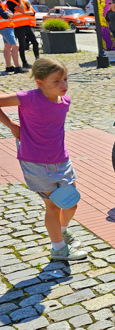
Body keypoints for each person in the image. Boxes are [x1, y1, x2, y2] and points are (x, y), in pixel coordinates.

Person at [0, 58, 87, 261]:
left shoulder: (64, 101)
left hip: (61, 160)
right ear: (40, 83)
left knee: (71, 202)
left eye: (65, 79)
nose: (63, 85)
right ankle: (58, 249)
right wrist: (12, 126)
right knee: (53, 206)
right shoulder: (28, 98)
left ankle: (62, 232)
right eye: (56, 81)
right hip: (35, 162)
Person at [6, 0, 39, 68]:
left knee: (35, 42)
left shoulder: (25, 2)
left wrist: (24, 12)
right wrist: (20, 0)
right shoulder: (10, 2)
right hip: (18, 26)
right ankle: (24, 63)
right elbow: (20, 9)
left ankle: (38, 61)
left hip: (28, 25)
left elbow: (33, 12)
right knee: (22, 45)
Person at [0, 0, 22, 74]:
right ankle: (17, 67)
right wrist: (9, 14)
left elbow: (9, 13)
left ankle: (9, 67)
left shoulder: (2, 3)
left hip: (6, 26)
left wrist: (9, 14)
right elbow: (5, 15)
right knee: (15, 46)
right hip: (5, 26)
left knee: (7, 46)